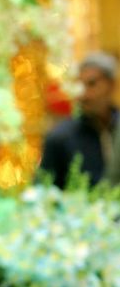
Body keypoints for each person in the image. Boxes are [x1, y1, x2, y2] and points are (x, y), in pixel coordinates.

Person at [38, 51, 118, 188]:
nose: (83, 95)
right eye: (79, 86)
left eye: (91, 84)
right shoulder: (59, 138)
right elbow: (43, 194)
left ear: (111, 85)